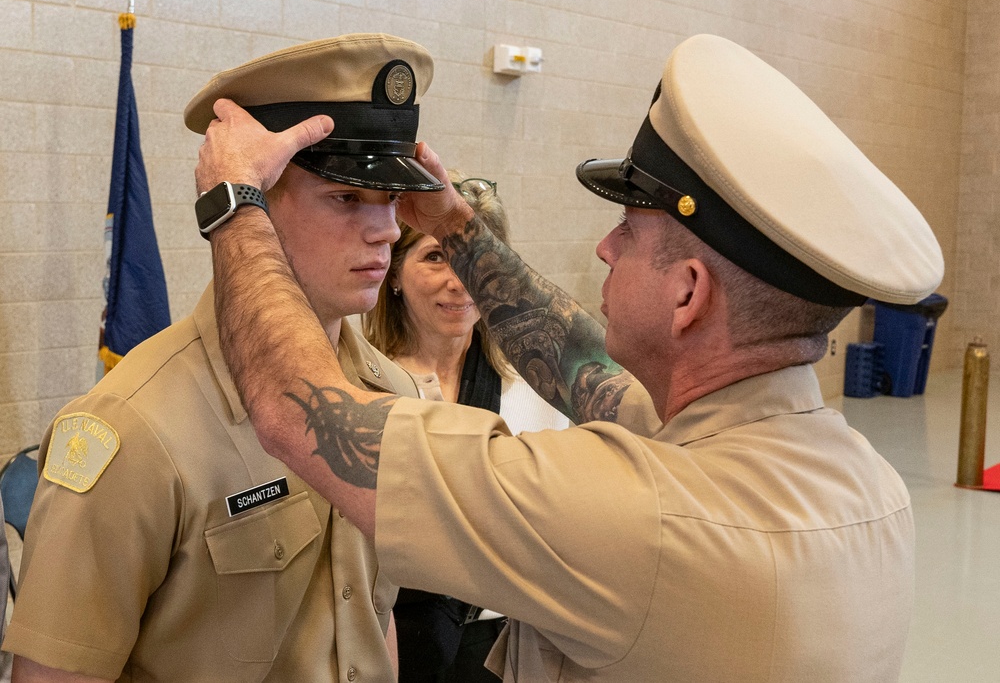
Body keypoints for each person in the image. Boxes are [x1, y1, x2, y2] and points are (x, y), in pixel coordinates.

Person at [195, 34, 944, 682]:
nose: (604, 247)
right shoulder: (853, 475)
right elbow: (586, 367)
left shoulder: (639, 519)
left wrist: (235, 204)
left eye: (629, 232)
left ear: (688, 295)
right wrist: (456, 224)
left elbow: (301, 411)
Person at [1, 33, 439, 682]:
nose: (387, 230)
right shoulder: (133, 427)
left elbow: (373, 615)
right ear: (255, 199)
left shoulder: (391, 392)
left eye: (393, 201)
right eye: (345, 199)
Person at [363, 173, 568, 682]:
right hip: (388, 638)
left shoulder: (537, 393)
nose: (460, 280)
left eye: (476, 258)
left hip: (507, 645)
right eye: (435, 256)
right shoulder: (361, 390)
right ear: (393, 269)